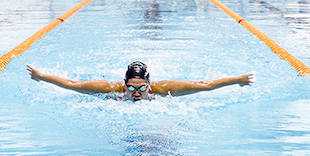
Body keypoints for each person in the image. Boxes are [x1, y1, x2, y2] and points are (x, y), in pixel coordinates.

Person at [27, 61, 253, 102]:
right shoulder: (110, 90)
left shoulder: (165, 90)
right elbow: (71, 84)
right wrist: (41, 76)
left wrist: (237, 80)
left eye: (142, 87)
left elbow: (205, 85)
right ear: (124, 84)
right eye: (131, 87)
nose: (136, 92)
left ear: (149, 86)